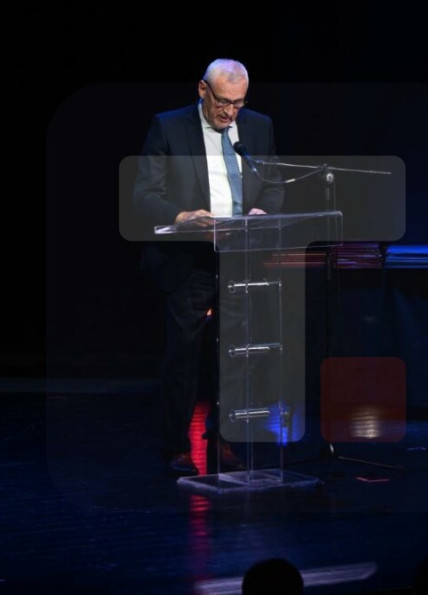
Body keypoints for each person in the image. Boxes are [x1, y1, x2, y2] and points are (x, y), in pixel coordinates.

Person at [132, 58, 285, 476]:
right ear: (203, 90)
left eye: (238, 103)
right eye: (222, 102)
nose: (230, 112)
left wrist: (263, 211)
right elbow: (144, 195)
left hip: (240, 257)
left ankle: (223, 440)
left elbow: (273, 183)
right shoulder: (169, 127)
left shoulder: (259, 127)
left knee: (236, 355)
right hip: (189, 259)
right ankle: (175, 445)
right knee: (184, 354)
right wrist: (183, 217)